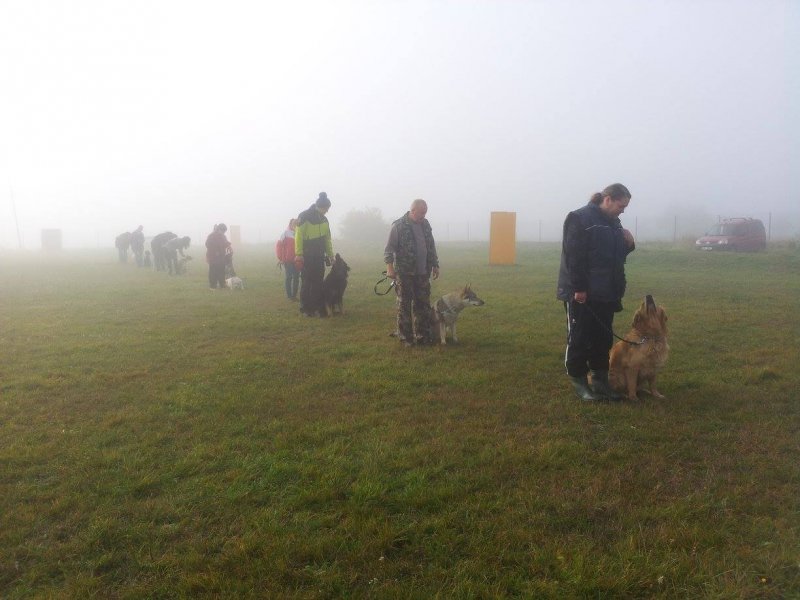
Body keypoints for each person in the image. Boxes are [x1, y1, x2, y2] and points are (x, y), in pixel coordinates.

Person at [557, 183, 635, 401]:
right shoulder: (579, 218)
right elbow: (575, 257)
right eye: (621, 205)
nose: (623, 210)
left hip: (606, 293)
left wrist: (629, 244)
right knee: (579, 338)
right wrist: (579, 289)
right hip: (582, 294)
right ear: (607, 199)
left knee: (603, 338)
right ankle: (579, 382)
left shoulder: (614, 224)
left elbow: (614, 258)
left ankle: (600, 381)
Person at [384, 199, 440, 346]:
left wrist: (435, 264)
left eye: (425, 213)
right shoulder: (398, 226)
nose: (424, 216)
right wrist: (390, 268)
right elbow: (389, 249)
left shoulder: (425, 224)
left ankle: (423, 336)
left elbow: (431, 245)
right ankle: (406, 338)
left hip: (423, 273)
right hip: (405, 273)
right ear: (413, 210)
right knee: (404, 305)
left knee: (423, 305)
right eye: (422, 213)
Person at [295, 193, 334, 317]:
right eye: (326, 208)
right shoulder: (304, 216)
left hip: (319, 256)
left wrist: (330, 255)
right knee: (307, 281)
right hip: (307, 255)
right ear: (321, 206)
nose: (327, 211)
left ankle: (318, 308)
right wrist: (299, 254)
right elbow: (298, 236)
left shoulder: (324, 220)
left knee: (318, 282)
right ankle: (305, 308)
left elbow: (327, 239)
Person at [277, 218, 300, 301]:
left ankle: (294, 296)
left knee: (297, 277)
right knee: (289, 277)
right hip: (287, 260)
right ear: (290, 224)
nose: (294, 225)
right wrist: (280, 257)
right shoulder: (285, 233)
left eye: (296, 223)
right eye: (293, 223)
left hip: (298, 260)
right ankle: (289, 296)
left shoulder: (299, 232)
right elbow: (279, 245)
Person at [206, 223, 231, 289]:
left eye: (224, 232)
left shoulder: (223, 236)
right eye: (223, 231)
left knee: (222, 270)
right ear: (219, 229)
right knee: (213, 271)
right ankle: (213, 286)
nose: (223, 233)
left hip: (221, 257)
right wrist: (215, 251)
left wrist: (229, 246)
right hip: (213, 257)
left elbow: (225, 243)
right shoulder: (211, 236)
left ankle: (222, 284)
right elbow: (207, 245)